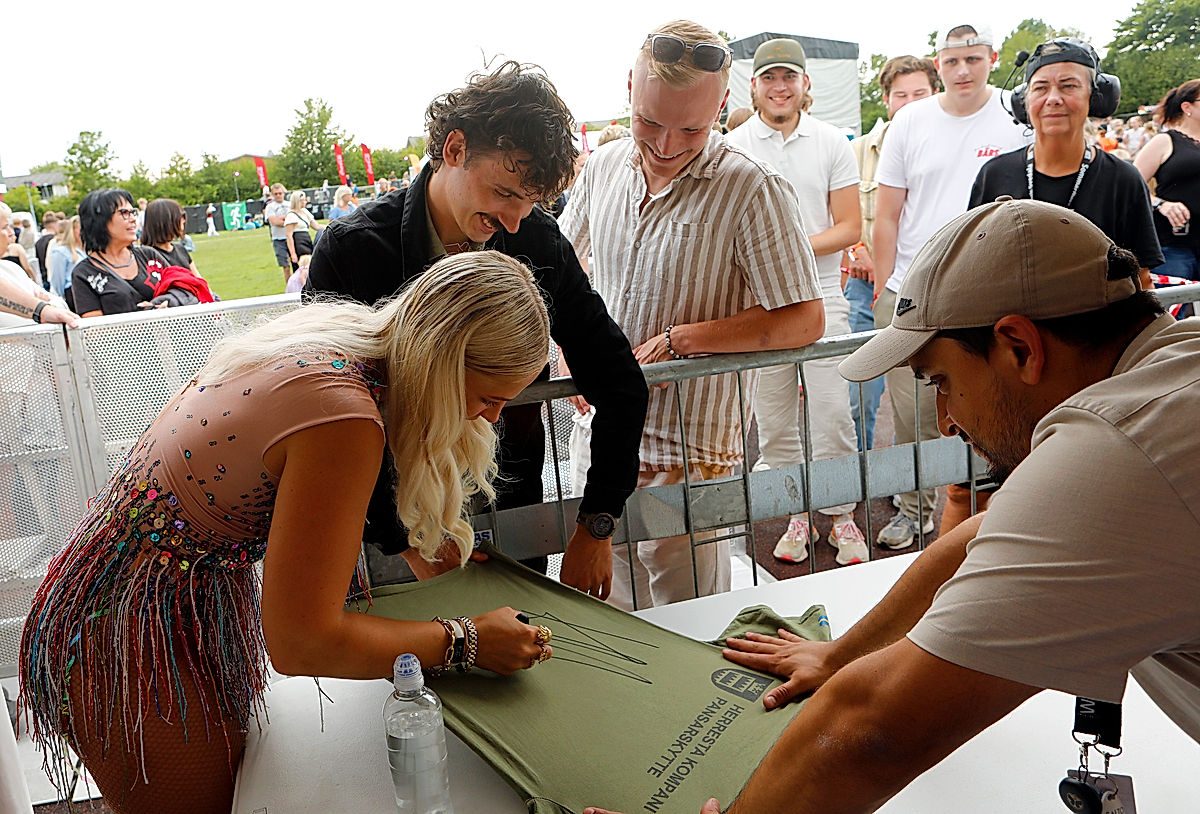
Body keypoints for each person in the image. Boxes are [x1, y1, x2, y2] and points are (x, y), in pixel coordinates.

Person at [588, 198, 1200, 814]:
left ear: (1019, 347)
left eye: (938, 381)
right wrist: (839, 654)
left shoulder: (1118, 453)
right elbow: (984, 533)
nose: (947, 422)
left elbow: (871, 731)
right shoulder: (1169, 374)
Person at [22, 251, 560, 814]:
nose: (491, 419)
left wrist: (436, 563)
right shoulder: (344, 418)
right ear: (440, 365)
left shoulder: (348, 340)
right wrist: (466, 640)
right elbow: (302, 641)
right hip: (123, 635)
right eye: (486, 398)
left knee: (236, 787)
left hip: (153, 606)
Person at [306, 61, 648, 600]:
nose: (514, 222)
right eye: (506, 193)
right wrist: (407, 544)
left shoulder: (536, 240)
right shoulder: (352, 251)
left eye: (531, 203)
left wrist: (597, 524)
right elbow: (327, 415)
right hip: (388, 527)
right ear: (455, 148)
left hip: (511, 509)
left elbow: (620, 381)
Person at [560, 21, 824, 609]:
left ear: (723, 105)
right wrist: (563, 346)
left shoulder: (753, 189)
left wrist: (683, 340)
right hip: (600, 443)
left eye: (692, 128)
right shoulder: (601, 168)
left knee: (692, 620)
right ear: (629, 87)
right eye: (649, 122)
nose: (667, 145)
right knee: (608, 615)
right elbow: (558, 269)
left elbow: (805, 318)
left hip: (691, 454)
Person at [871, 21, 1030, 550]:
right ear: (937, 63)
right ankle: (913, 512)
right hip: (913, 294)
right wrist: (883, 282)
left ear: (993, 57)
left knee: (1000, 412)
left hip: (994, 294)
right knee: (914, 417)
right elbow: (887, 213)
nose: (963, 70)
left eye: (974, 58)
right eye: (952, 60)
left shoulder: (1018, 111)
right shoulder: (911, 120)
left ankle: (1004, 523)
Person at [725, 37, 866, 566]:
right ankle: (796, 516)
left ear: (806, 83)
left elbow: (849, 226)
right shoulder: (734, 144)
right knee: (775, 418)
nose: (779, 87)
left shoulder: (832, 141)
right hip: (759, 302)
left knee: (832, 414)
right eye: (769, 78)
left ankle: (842, 516)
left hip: (824, 293)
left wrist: (787, 251)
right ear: (754, 86)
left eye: (789, 77)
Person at [842, 55, 938, 454]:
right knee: (861, 393)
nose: (910, 102)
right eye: (901, 95)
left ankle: (909, 495)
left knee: (914, 405)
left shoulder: (941, 150)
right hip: (868, 291)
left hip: (927, 294)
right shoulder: (858, 150)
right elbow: (840, 213)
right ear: (886, 99)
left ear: (936, 93)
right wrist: (859, 252)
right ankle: (862, 474)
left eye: (920, 93)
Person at [71, 189, 199, 318]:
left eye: (133, 212)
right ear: (100, 220)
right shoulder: (84, 273)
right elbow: (95, 330)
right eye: (124, 213)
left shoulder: (149, 256)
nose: (133, 219)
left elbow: (187, 287)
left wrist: (170, 302)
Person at [1133, 78, 1200, 288]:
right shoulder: (1166, 141)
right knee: (1170, 312)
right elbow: (1132, 185)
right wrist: (1162, 204)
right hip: (1175, 244)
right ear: (1187, 107)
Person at [0, 210, 75, 327]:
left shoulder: (11, 268)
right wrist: (41, 308)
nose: (11, 232)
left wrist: (43, 307)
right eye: (5, 227)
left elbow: (60, 305)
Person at [141, 198, 203, 277]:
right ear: (167, 221)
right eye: (181, 216)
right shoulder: (146, 256)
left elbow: (200, 282)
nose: (183, 220)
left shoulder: (181, 250)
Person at [47, 215, 85, 308]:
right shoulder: (61, 252)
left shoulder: (88, 250)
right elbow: (57, 279)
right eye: (81, 228)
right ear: (72, 230)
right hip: (73, 293)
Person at [284, 190, 323, 273]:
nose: (305, 201)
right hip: (298, 241)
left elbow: (316, 226)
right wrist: (292, 253)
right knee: (302, 265)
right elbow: (289, 235)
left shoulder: (304, 212)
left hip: (306, 239)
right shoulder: (291, 215)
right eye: (303, 200)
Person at [264, 183, 291, 279]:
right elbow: (274, 221)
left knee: (297, 264)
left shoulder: (290, 204)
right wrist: (287, 220)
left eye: (280, 193)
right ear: (272, 194)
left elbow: (296, 219)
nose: (278, 195)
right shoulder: (270, 207)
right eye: (276, 194)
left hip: (292, 237)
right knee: (285, 266)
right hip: (278, 238)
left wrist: (281, 219)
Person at [34, 211, 58, 290]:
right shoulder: (55, 241)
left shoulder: (38, 243)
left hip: (44, 277)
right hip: (55, 278)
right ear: (55, 225)